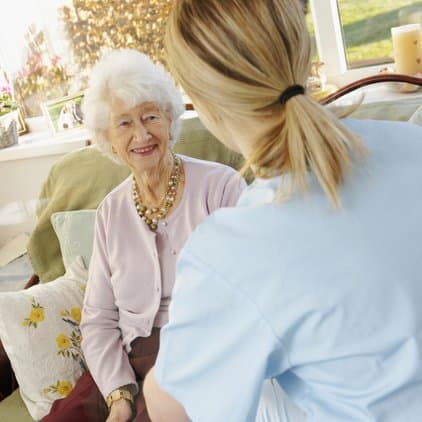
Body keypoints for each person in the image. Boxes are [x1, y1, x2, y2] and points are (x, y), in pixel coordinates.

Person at [143, 1, 422, 421]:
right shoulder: (412, 144)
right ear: (301, 50)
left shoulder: (234, 251)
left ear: (200, 102)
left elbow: (172, 411)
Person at [41, 49, 246, 422]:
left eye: (150, 116)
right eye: (124, 124)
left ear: (169, 118)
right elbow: (99, 317)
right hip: (124, 362)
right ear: (109, 140)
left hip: (198, 355)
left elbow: (251, 296)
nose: (141, 134)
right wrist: (119, 394)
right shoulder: (110, 212)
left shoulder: (221, 187)